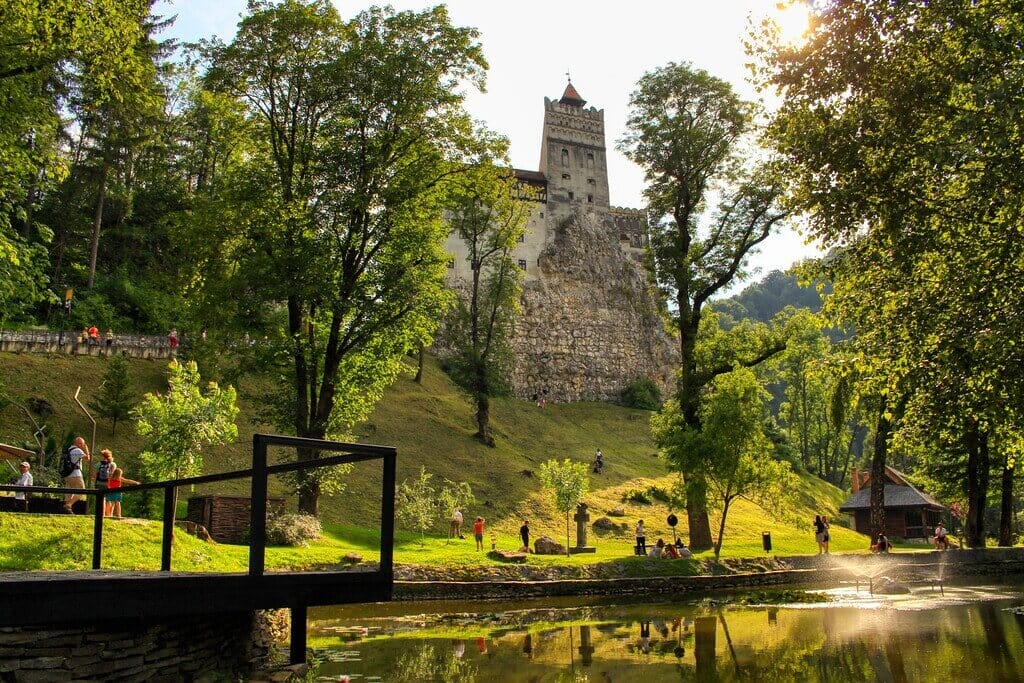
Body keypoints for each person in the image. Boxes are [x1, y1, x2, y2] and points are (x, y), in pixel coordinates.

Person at [63, 436, 91, 514]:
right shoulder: (77, 450)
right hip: (76, 474)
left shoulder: (69, 450)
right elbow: (87, 458)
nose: (82, 445)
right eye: (82, 444)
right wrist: (86, 449)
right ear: (77, 443)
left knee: (69, 492)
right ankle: (68, 505)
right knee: (81, 490)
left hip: (68, 474)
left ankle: (67, 511)